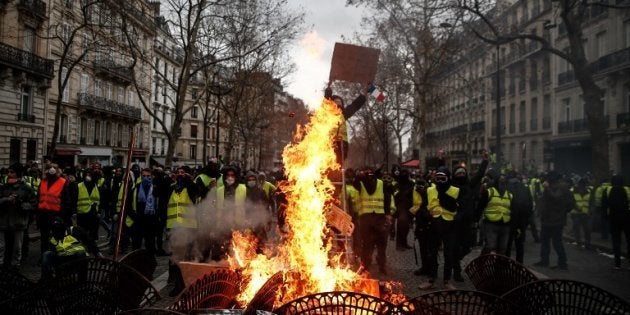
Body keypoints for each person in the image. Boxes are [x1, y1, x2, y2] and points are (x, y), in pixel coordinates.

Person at [418, 167, 462, 290]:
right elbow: (423, 207)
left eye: (443, 179)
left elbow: (461, 208)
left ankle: (447, 280)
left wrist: (456, 220)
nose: (440, 181)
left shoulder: (456, 190)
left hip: (450, 226)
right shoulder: (430, 190)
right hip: (434, 225)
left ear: (448, 179)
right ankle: (431, 279)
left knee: (449, 254)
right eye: (438, 179)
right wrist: (428, 217)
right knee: (432, 253)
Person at [449, 151, 489, 281]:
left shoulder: (469, 186)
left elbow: (479, 175)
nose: (461, 174)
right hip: (456, 223)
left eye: (463, 173)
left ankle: (456, 259)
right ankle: (456, 271)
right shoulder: (451, 187)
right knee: (455, 247)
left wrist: (485, 161)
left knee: (468, 246)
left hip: (469, 222)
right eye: (458, 173)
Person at [353, 167, 395, 275]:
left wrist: (388, 215)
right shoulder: (361, 183)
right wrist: (359, 175)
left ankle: (382, 266)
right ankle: (365, 265)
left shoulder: (381, 183)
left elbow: (387, 199)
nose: (370, 176)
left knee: (382, 244)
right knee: (367, 244)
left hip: (379, 218)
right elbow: (355, 183)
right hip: (365, 218)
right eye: (368, 174)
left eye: (371, 174)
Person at [534, 171, 575, 270]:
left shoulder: (560, 187)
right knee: (545, 241)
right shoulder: (557, 186)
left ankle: (562, 263)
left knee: (556, 242)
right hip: (549, 219)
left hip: (555, 220)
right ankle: (545, 260)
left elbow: (555, 197)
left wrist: (547, 188)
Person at [0, 164, 36, 268]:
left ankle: (15, 264)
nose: (9, 174)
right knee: (1, 246)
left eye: (12, 172)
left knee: (17, 247)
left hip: (18, 222)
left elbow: (32, 204)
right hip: (3, 221)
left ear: (19, 174)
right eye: (8, 172)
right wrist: (6, 200)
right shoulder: (3, 187)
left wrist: (20, 203)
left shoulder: (26, 188)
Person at [37, 165, 72, 259]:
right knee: (44, 238)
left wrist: (62, 216)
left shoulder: (63, 182)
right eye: (49, 168)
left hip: (56, 215)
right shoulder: (43, 181)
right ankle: (44, 257)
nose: (52, 170)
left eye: (54, 168)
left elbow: (66, 200)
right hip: (43, 214)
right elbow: (39, 197)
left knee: (56, 238)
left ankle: (55, 256)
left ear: (57, 170)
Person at [478, 169, 514, 255]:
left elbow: (512, 210)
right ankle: (483, 263)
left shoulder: (509, 194)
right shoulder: (490, 191)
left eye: (504, 180)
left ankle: (498, 266)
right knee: (490, 247)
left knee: (502, 249)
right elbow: (481, 205)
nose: (502, 182)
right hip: (491, 223)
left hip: (505, 224)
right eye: (500, 180)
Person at [601, 174, 630, 270]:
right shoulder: (627, 189)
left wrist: (606, 217)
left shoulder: (608, 190)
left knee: (616, 242)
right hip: (627, 218)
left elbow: (604, 205)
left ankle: (617, 264)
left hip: (614, 218)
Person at [129, 168, 159, 255]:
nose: (146, 178)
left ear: (152, 177)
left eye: (148, 176)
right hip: (138, 219)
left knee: (150, 242)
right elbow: (128, 203)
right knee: (136, 243)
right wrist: (134, 215)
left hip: (150, 219)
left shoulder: (155, 188)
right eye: (144, 176)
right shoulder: (136, 188)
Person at [505, 173, 533, 263]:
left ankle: (505, 263)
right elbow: (530, 205)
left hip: (510, 220)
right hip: (522, 220)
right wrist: (526, 221)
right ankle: (520, 263)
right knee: (519, 243)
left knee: (508, 243)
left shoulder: (507, 188)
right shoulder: (525, 188)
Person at [75, 169, 100, 241]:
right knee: (82, 232)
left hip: (93, 213)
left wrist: (97, 210)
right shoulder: (79, 185)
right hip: (81, 213)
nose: (87, 177)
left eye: (89, 175)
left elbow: (99, 199)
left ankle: (91, 247)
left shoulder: (96, 186)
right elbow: (75, 199)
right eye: (86, 175)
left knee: (92, 233)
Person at [393, 168, 414, 251]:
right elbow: (395, 196)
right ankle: (399, 245)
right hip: (400, 208)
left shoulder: (411, 184)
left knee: (406, 227)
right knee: (400, 227)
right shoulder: (397, 184)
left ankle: (404, 243)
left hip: (409, 208)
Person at [570, 178, 592, 249]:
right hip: (576, 213)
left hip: (586, 214)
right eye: (582, 184)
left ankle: (587, 243)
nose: (583, 186)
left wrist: (590, 211)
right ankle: (578, 243)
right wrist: (576, 208)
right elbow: (570, 201)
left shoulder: (589, 192)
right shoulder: (573, 191)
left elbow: (591, 203)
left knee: (587, 230)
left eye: (585, 185)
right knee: (577, 230)